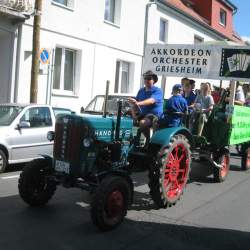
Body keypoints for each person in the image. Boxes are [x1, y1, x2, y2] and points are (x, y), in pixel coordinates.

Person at [128, 70, 163, 145]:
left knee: (142, 123)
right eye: (145, 78)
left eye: (149, 78)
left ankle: (148, 140)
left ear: (153, 80)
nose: (146, 80)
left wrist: (138, 103)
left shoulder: (158, 91)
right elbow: (135, 103)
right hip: (142, 114)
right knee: (127, 122)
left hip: (154, 116)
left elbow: (151, 101)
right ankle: (132, 142)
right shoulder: (141, 90)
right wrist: (133, 109)